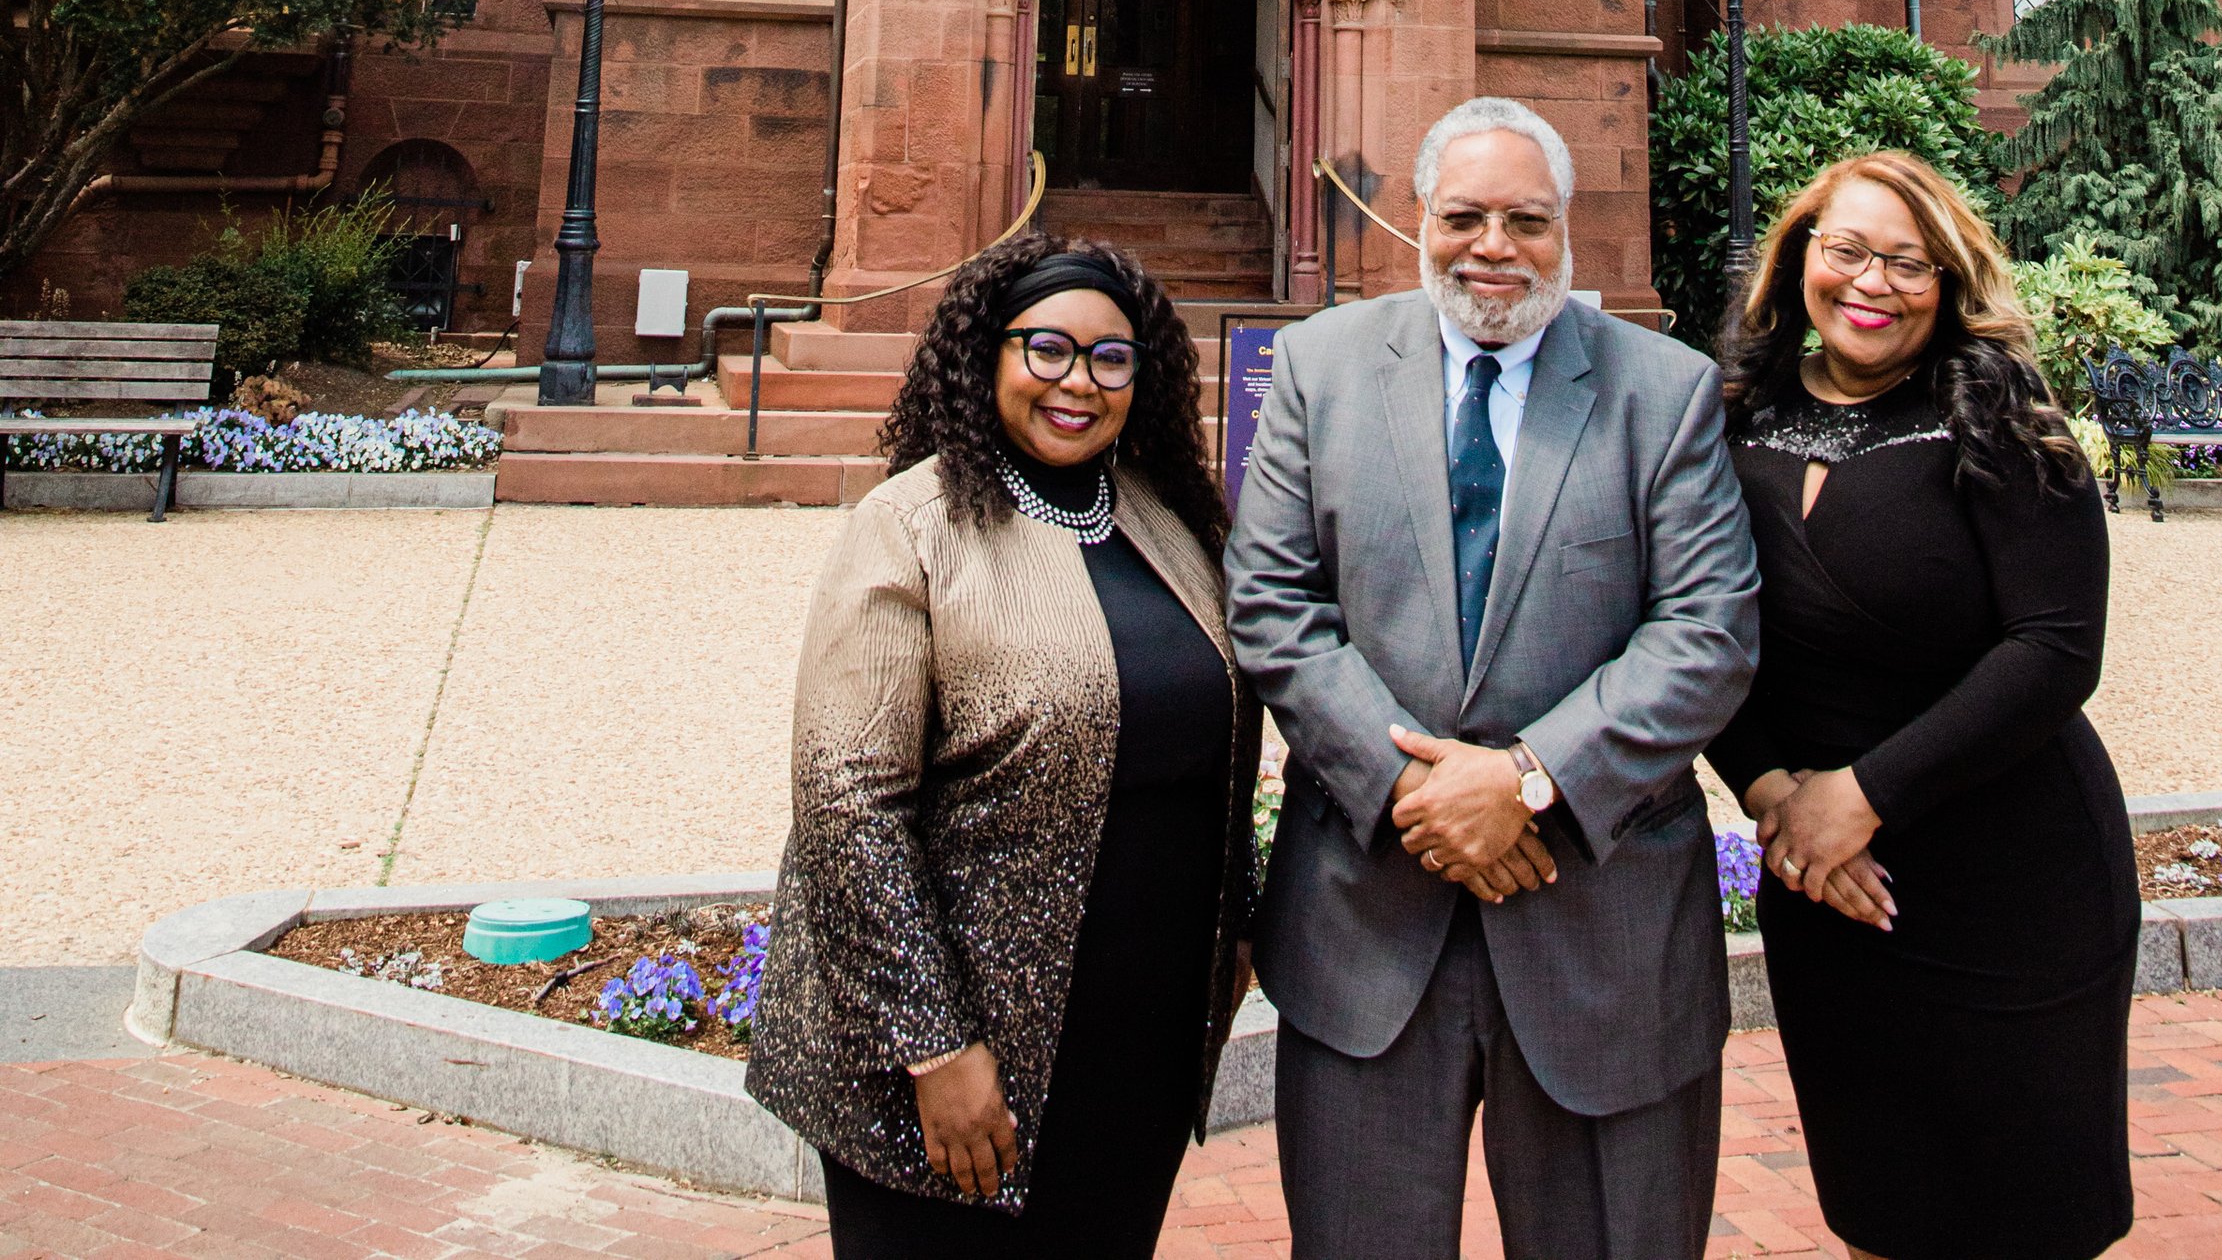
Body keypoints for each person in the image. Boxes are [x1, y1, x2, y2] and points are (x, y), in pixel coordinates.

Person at [1225, 94, 1760, 1260]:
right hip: (1368, 929)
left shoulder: (1660, 390)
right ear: (1418, 218)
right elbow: (1271, 605)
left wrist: (1524, 780)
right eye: (1465, 215)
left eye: (1526, 219)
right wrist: (1422, 792)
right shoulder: (1317, 370)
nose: (1493, 247)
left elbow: (1707, 628)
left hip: (1603, 935)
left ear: (1566, 227)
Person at [745, 229, 1259, 1259]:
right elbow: (846, 801)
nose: (1078, 382)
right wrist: (932, 1046)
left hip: (1136, 1044)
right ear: (988, 356)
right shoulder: (912, 524)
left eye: (1111, 357)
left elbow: (1216, 758)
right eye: (1046, 349)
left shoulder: (1170, 521)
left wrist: (1237, 918)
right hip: (960, 1049)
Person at [1707, 151, 2138, 1260]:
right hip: (1827, 882)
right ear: (1798, 257)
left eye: (1908, 263)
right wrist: (1775, 794)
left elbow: (2053, 649)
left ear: (1948, 284)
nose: (1871, 283)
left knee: (2018, 1212)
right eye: (1845, 250)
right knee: (1879, 1201)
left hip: (2006, 869)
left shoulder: (1999, 415)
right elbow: (1687, 634)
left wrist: (1863, 795)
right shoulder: (1728, 418)